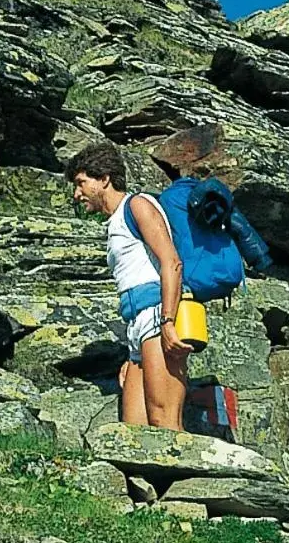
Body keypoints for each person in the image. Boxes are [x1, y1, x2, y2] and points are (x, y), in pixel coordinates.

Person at [64, 141, 193, 430]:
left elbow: (172, 262)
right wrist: (130, 348)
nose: (77, 193)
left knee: (165, 420)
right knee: (134, 430)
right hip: (137, 326)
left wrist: (168, 323)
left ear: (104, 179)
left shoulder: (137, 205)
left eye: (81, 183)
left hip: (156, 316)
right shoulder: (115, 222)